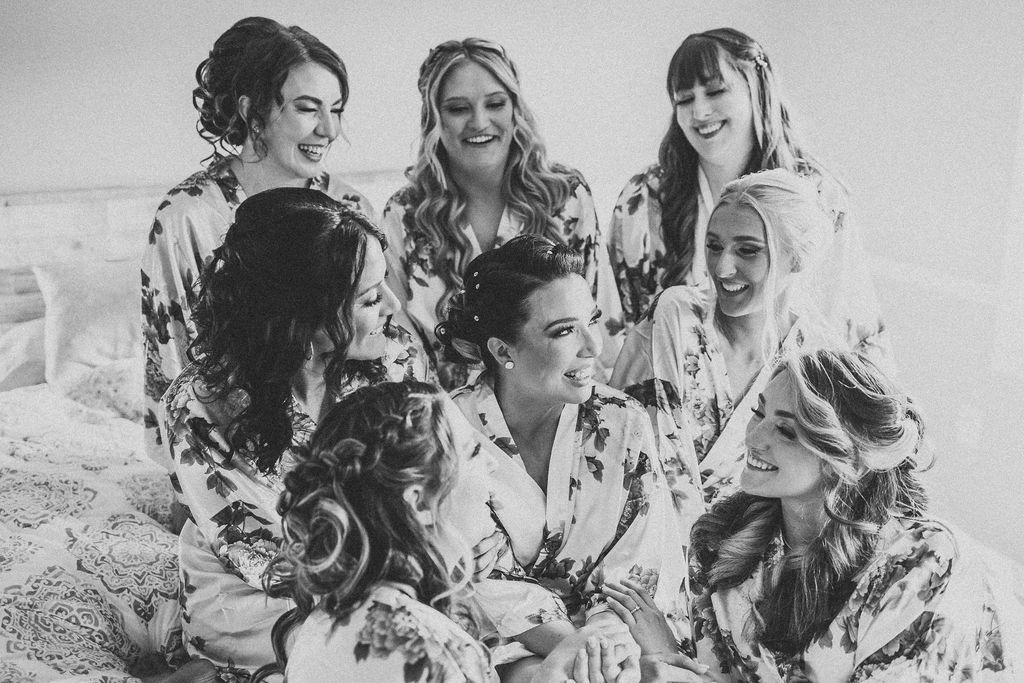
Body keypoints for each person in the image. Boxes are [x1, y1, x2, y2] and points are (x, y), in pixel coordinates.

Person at [612, 349, 1014, 681]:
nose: (753, 438)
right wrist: (667, 656)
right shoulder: (721, 540)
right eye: (759, 413)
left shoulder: (923, 566)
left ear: (846, 458)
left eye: (786, 431)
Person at [162, 188, 426, 675]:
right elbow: (262, 555)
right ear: (302, 315)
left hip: (389, 570)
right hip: (257, 596)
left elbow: (432, 485)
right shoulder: (201, 406)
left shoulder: (393, 360)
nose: (392, 305)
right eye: (370, 297)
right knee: (381, 649)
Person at [260, 381, 642, 682]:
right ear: (420, 503)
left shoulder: (328, 621)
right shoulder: (421, 644)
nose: (492, 467)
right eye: (475, 453)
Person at [437, 234, 696, 679]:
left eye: (590, 320)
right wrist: (577, 655)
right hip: (504, 649)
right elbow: (477, 585)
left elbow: (639, 568)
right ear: (502, 351)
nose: (593, 346)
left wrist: (600, 653)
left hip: (617, 644)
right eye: (563, 331)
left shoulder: (623, 422)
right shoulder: (450, 432)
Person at [142, 16, 373, 474]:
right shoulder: (188, 218)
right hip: (221, 449)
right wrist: (185, 480)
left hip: (340, 448)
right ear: (253, 112)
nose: (328, 129)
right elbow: (171, 358)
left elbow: (372, 344)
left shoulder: (348, 206)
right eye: (308, 109)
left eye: (337, 109)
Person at [607, 27, 886, 365]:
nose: (699, 112)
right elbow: (627, 333)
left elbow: (848, 326)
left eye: (715, 91)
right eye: (685, 99)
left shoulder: (819, 196)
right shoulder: (645, 199)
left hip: (790, 398)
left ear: (757, 90)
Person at [382, 37, 624, 390]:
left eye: (495, 103)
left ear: (514, 108)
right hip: (445, 422)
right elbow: (396, 345)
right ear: (434, 118)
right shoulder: (405, 215)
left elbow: (601, 318)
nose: (479, 122)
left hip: (558, 407)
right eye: (458, 108)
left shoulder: (565, 196)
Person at [611, 169, 837, 510]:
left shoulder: (816, 360)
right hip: (650, 538)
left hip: (756, 552)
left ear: (797, 257)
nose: (722, 268)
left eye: (748, 251)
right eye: (714, 247)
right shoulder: (677, 316)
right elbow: (636, 462)